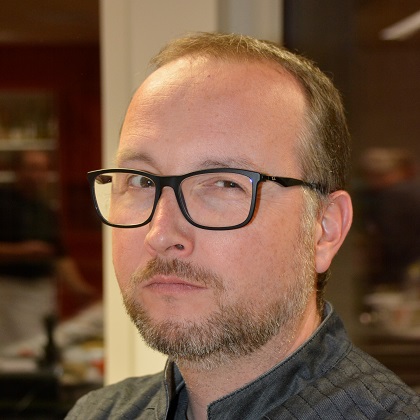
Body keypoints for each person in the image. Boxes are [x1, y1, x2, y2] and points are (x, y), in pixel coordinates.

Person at [67, 32, 420, 419]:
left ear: (324, 229)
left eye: (224, 184)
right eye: (141, 181)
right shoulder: (98, 413)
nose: (161, 234)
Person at [0, 150, 95, 348]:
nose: (37, 175)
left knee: (42, 345)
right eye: (32, 168)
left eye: (42, 170)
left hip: (42, 293)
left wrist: (79, 288)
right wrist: (22, 252)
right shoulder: (3, 202)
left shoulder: (46, 210)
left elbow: (60, 255)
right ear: (17, 170)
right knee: (16, 351)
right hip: (10, 291)